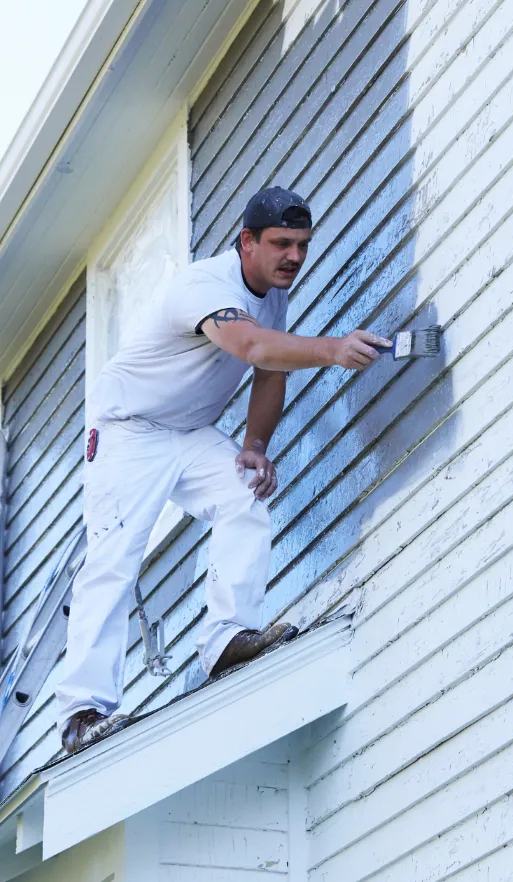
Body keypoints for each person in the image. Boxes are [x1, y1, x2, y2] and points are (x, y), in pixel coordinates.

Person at [56, 186, 392, 754]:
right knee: (114, 558)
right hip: (129, 430)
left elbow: (271, 372)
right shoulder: (204, 287)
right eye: (281, 244)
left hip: (188, 432)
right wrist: (333, 349)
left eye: (302, 245)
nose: (294, 257)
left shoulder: (274, 295)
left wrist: (255, 445)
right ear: (246, 243)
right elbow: (255, 349)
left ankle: (226, 639)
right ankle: (82, 713)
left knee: (245, 492)